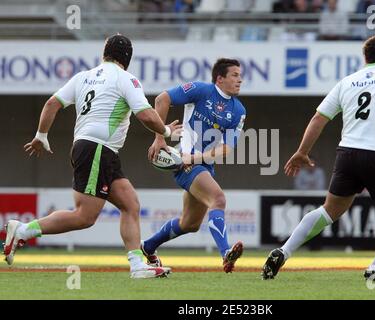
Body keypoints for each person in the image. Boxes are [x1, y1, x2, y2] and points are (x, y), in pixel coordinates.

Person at [262, 35, 375, 282]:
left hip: (346, 155)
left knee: (329, 210)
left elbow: (319, 118)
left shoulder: (347, 82)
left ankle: (283, 251)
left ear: (365, 58)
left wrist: (302, 151)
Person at [3, 34, 182, 279]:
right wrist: (167, 131)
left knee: (130, 204)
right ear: (127, 59)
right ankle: (23, 230)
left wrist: (41, 136)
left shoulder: (83, 77)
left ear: (104, 53)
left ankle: (137, 265)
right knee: (84, 217)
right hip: (98, 149)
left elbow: (50, 104)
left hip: (93, 149)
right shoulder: (126, 78)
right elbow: (147, 115)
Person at [141, 58, 246, 273]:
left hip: (199, 165)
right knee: (218, 199)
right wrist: (160, 138)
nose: (240, 80)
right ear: (220, 78)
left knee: (189, 224)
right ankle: (226, 254)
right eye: (235, 75)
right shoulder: (200, 90)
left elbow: (227, 149)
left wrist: (195, 159)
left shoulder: (238, 110)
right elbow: (162, 99)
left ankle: (148, 246)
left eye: (240, 75)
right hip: (183, 161)